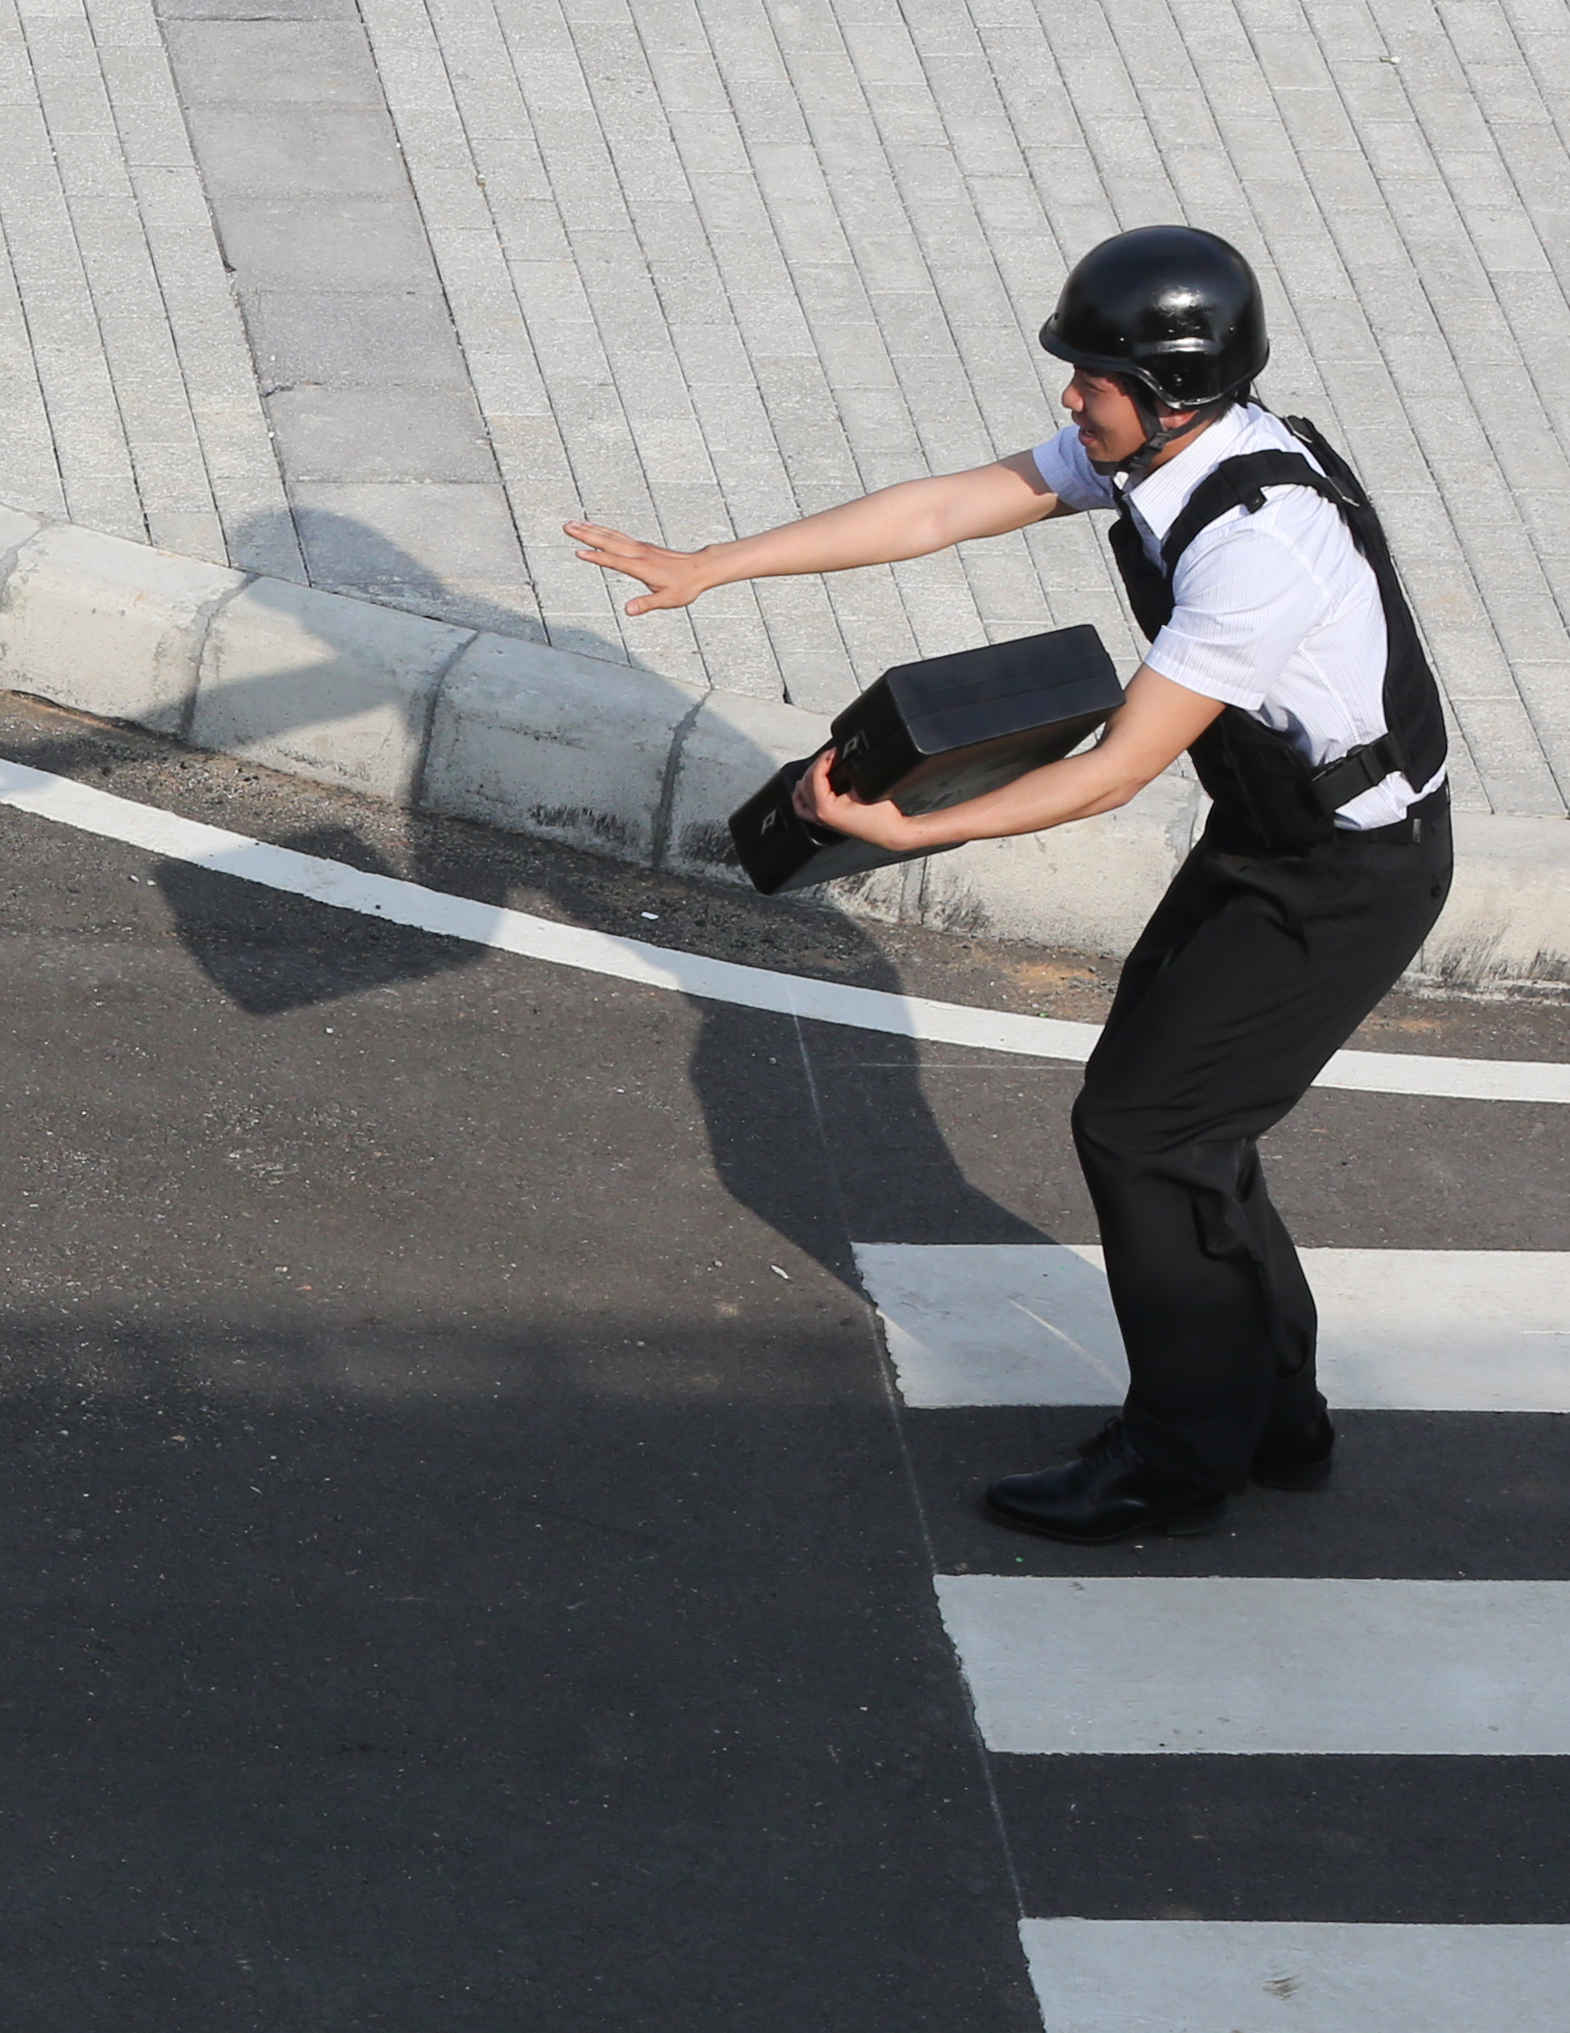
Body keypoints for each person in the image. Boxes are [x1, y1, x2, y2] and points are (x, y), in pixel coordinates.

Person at [567, 229, 1451, 1546]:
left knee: (1148, 1130)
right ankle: (1270, 1416)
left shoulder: (1253, 545)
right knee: (1180, 1126)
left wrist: (905, 833)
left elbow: (1113, 773)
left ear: (1172, 389)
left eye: (1089, 376)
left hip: (1340, 875)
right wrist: (713, 565)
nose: (1066, 396)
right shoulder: (1170, 455)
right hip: (1274, 840)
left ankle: (1177, 1461)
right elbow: (940, 509)